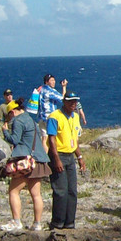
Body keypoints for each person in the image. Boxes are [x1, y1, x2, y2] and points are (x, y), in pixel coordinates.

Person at [1, 97, 52, 231]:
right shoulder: (31, 120)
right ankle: (37, 223)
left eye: (9, 115)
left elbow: (15, 140)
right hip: (39, 159)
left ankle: (16, 221)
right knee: (36, 194)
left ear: (12, 112)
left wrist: (5, 131)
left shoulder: (18, 121)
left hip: (25, 161)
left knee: (13, 191)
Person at [47, 93, 86, 229]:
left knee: (72, 191)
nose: (73, 104)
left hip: (70, 156)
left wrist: (79, 157)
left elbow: (75, 139)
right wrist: (56, 159)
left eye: (75, 102)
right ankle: (58, 222)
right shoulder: (55, 116)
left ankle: (69, 222)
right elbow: (51, 139)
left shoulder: (75, 117)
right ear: (64, 102)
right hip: (58, 155)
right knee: (60, 190)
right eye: (70, 102)